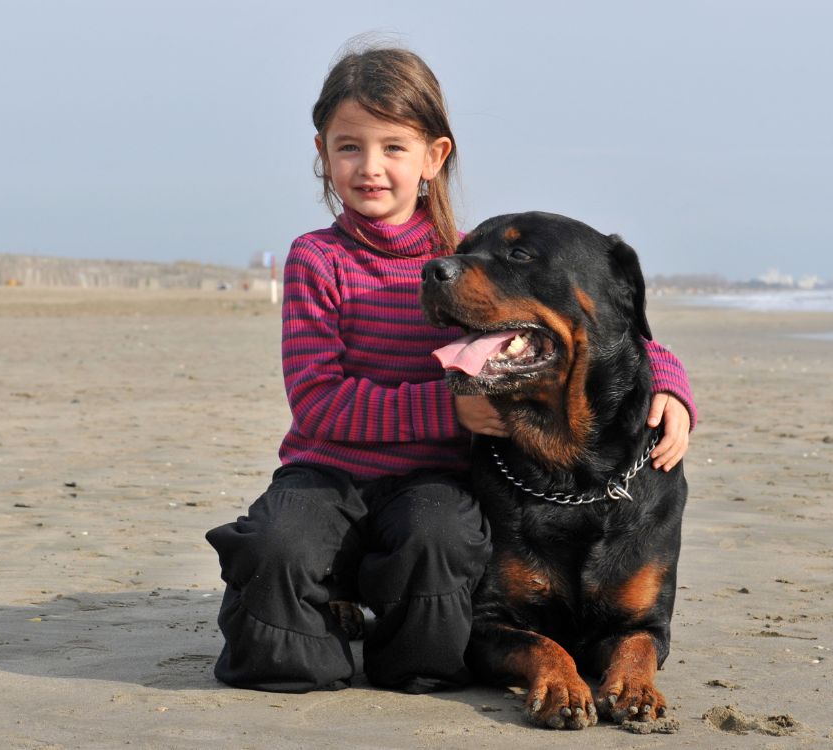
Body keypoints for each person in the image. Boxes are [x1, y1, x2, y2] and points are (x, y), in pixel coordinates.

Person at [205, 45, 695, 695]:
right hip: (329, 471)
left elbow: (605, 326)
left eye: (393, 148)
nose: (371, 167)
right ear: (323, 154)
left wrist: (671, 382)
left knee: (439, 562)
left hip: (429, 482)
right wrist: (449, 407)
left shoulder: (462, 261)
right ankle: (306, 623)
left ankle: (398, 653)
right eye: (349, 147)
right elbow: (317, 402)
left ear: (434, 158)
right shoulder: (321, 260)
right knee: (279, 554)